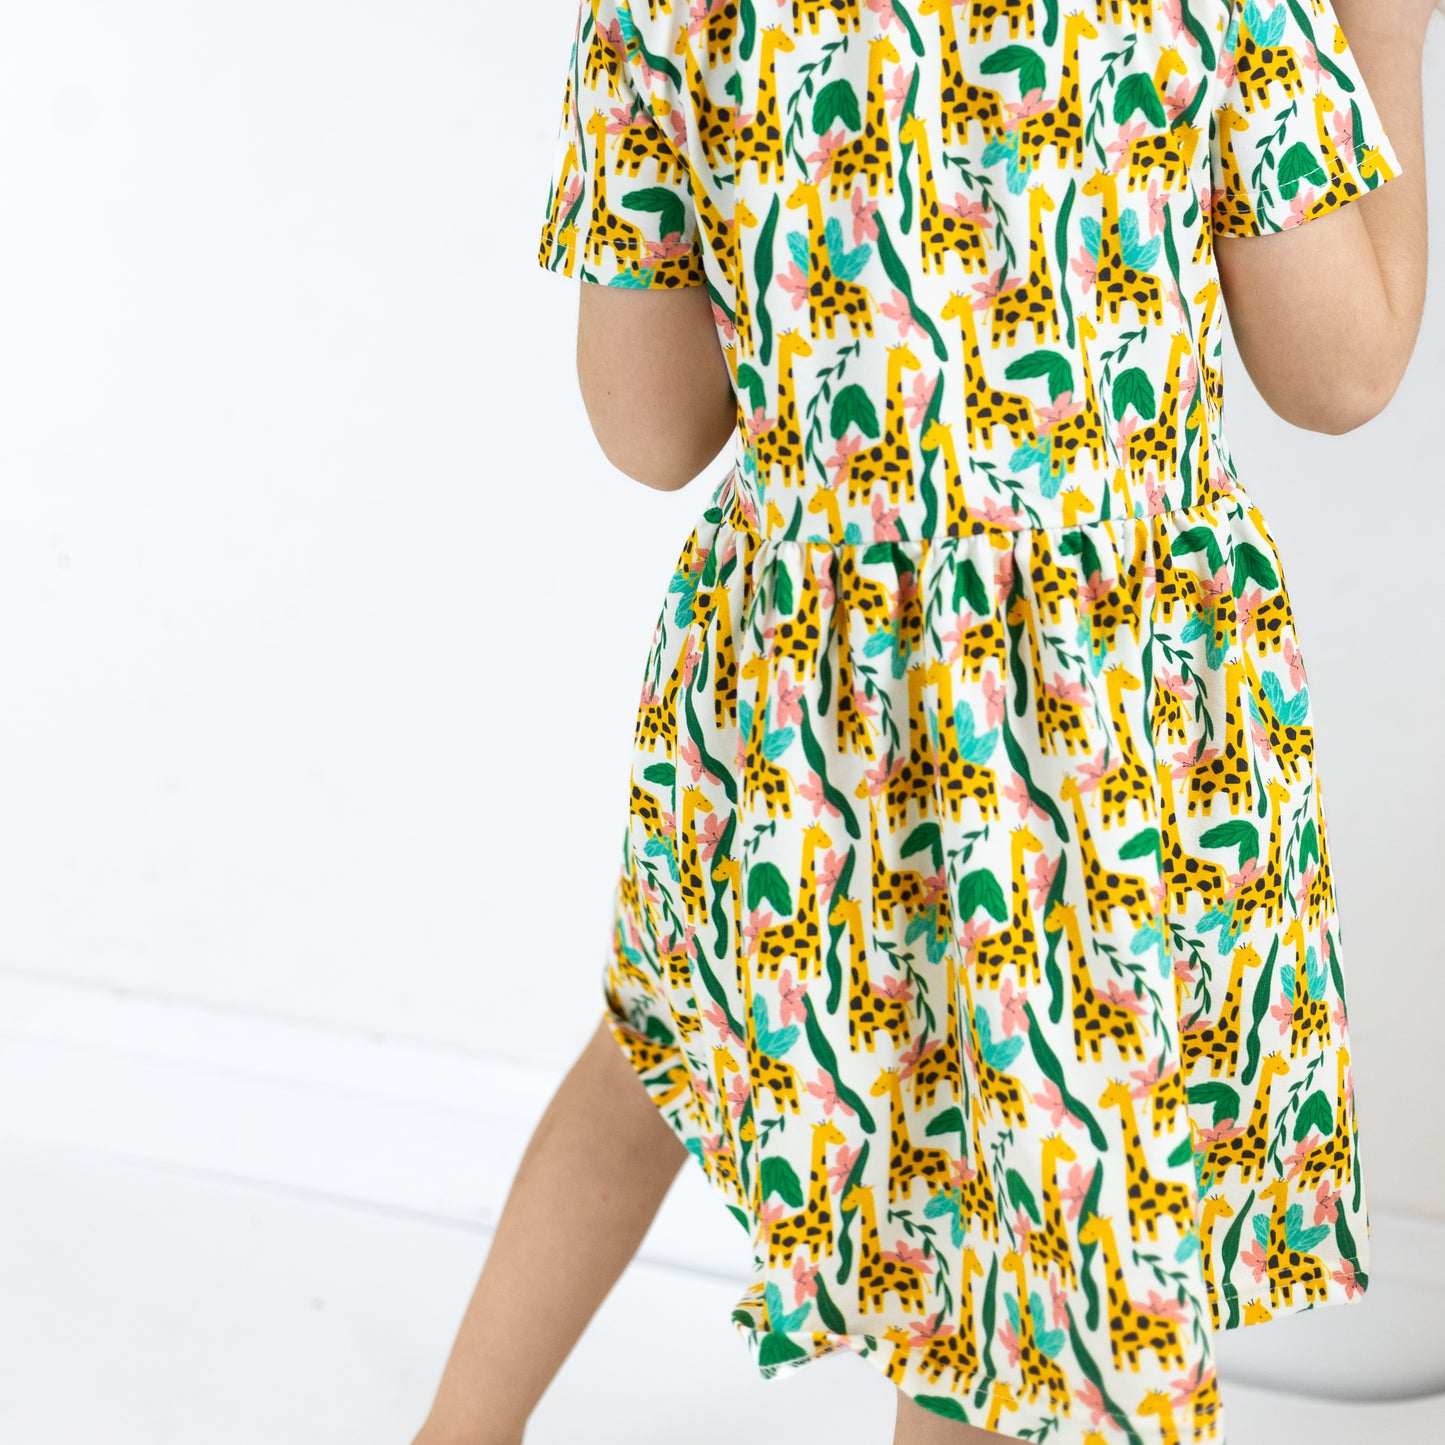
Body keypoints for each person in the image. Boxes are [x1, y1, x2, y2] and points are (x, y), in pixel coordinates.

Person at [413, 1, 1431, 1442]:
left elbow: (650, 429)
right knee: (1025, 1211)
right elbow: (1339, 374)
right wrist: (1385, 37)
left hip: (798, 687)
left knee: (671, 1036)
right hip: (1092, 725)